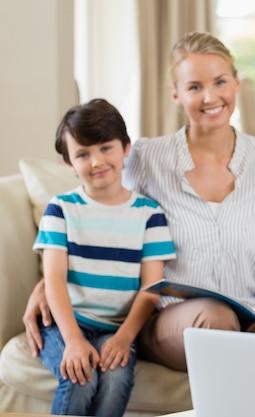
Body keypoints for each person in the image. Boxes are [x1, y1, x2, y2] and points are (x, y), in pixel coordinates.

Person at [23, 31, 255, 372]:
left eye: (220, 82)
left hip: (254, 306)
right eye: (194, 86)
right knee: (216, 319)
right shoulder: (148, 156)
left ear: (236, 83)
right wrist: (48, 283)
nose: (210, 96)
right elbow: (104, 212)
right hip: (175, 316)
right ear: (176, 94)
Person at [33, 99, 176, 416]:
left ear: (126, 148)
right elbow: (54, 278)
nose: (96, 161)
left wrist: (125, 338)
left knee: (114, 380)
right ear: (69, 163)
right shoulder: (61, 208)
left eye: (105, 148)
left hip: (117, 327)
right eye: (83, 154)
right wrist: (72, 339)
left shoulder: (149, 214)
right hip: (65, 325)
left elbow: (152, 287)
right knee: (80, 378)